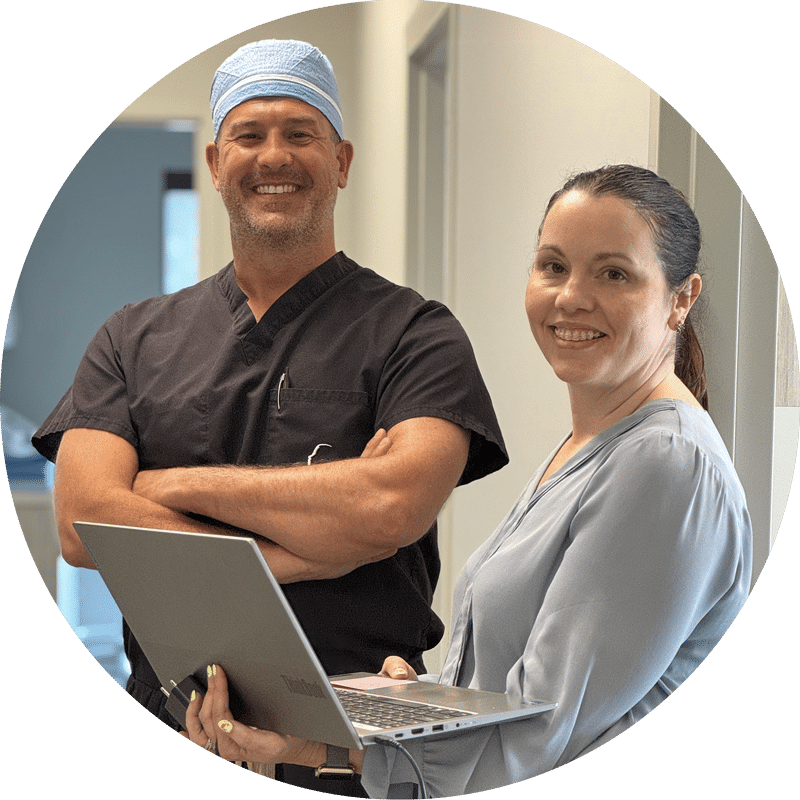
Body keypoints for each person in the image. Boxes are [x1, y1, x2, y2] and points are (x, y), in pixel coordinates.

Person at [32, 39, 507, 794]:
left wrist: (162, 485)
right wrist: (300, 551)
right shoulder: (132, 337)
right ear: (217, 162)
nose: (274, 156)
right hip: (170, 715)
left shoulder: (418, 333)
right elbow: (84, 521)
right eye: (249, 136)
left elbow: (389, 507)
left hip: (357, 754)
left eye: (301, 133)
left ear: (342, 161)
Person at [184, 165, 753, 795]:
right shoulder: (584, 449)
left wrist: (336, 747)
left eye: (613, 273)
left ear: (682, 298)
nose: (570, 297)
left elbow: (546, 729)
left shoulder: (666, 463)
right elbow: (525, 698)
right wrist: (424, 704)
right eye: (554, 266)